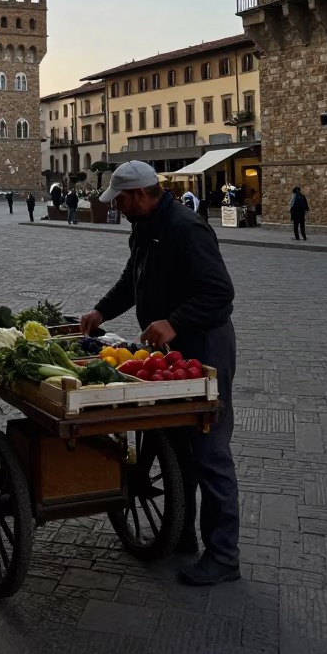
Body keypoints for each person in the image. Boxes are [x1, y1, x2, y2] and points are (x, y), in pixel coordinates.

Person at [80, 160, 240, 587]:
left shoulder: (187, 229)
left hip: (205, 346)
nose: (119, 209)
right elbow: (133, 278)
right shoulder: (144, 227)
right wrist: (101, 310)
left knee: (209, 450)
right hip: (171, 351)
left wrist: (174, 321)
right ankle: (182, 531)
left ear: (140, 195)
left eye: (122, 201)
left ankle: (224, 555)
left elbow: (220, 292)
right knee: (173, 441)